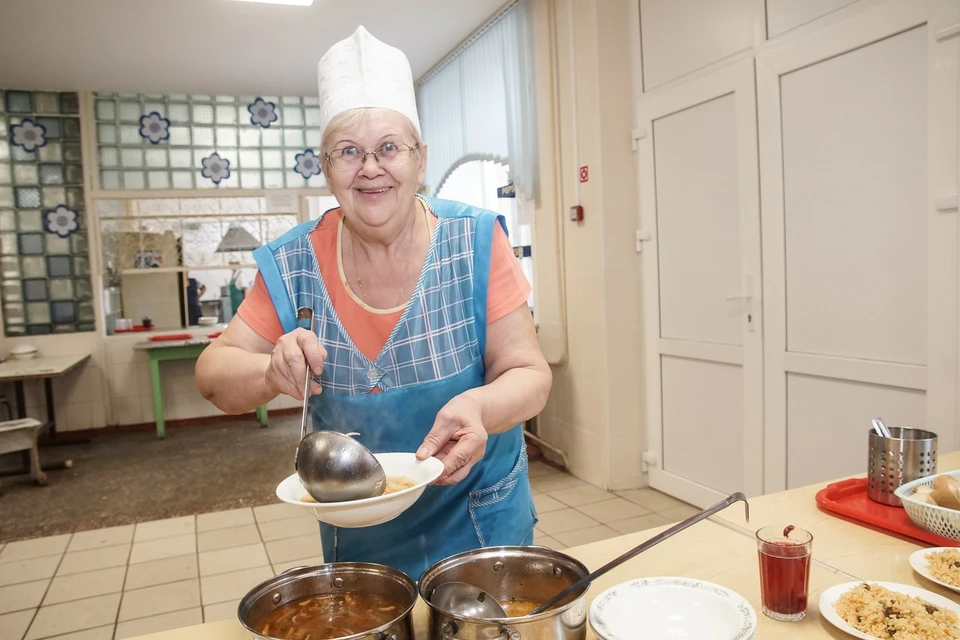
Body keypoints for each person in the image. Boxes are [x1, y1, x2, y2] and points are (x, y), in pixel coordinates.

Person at [195, 26, 551, 579]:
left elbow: (529, 373)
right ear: (324, 165)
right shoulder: (291, 265)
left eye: (389, 147)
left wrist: (482, 409)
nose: (370, 167)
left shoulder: (475, 241)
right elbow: (214, 376)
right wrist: (270, 369)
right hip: (363, 532)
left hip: (481, 521)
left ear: (420, 159)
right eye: (348, 152)